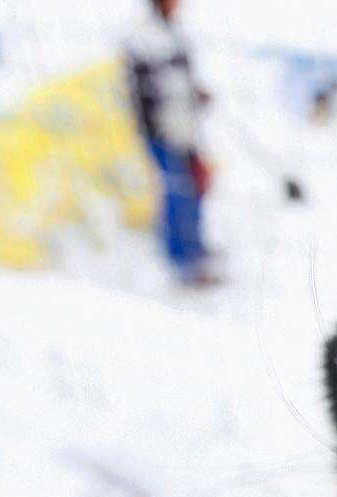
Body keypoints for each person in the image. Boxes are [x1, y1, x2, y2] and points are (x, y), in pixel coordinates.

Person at [124, 0, 217, 285]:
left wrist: (195, 93)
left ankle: (196, 249)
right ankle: (183, 263)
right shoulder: (145, 38)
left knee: (196, 183)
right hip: (163, 129)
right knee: (178, 191)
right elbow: (148, 92)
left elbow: (181, 80)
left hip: (184, 126)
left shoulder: (172, 34)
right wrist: (158, 123)